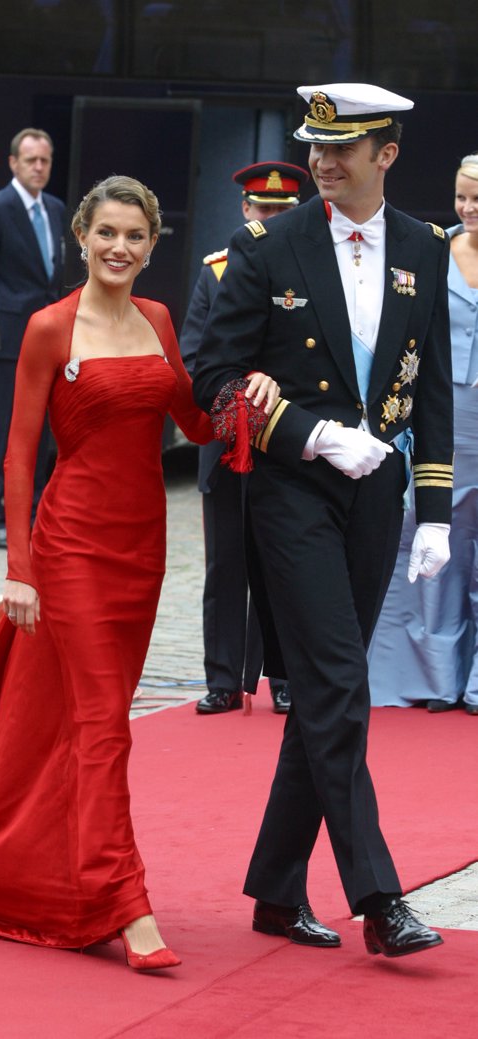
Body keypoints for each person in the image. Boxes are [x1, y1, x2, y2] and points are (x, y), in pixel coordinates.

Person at [0, 174, 280, 970]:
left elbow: (187, 420)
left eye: (135, 236)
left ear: (152, 245)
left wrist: (241, 401)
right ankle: (125, 900)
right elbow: (16, 455)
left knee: (77, 728)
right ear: (82, 237)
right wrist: (22, 570)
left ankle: (34, 873)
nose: (119, 247)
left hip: (143, 553)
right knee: (106, 726)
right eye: (106, 232)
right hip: (70, 544)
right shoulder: (49, 327)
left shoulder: (159, 320)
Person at [193, 83, 454, 957]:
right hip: (293, 489)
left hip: (378, 490)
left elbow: (433, 385)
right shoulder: (265, 244)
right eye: (315, 145)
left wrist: (436, 507)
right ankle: (380, 899)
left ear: (388, 154)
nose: (322, 161)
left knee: (325, 702)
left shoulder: (424, 246)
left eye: (343, 148)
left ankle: (274, 888)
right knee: (339, 683)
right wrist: (306, 434)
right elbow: (212, 378)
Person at [181, 160, 309, 715]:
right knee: (226, 564)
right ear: (244, 211)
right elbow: (194, 356)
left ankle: (280, 675)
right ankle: (223, 678)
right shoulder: (215, 272)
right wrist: (239, 405)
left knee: (281, 563)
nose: (271, 219)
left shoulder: (313, 271)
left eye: (282, 211)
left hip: (288, 442)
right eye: (263, 210)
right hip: (227, 439)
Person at [368, 153, 478, 716]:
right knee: (433, 531)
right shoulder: (435, 248)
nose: (468, 209)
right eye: (461, 197)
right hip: (443, 412)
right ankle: (434, 674)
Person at [0, 128, 67, 549]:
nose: (38, 167)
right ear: (13, 162)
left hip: (48, 339)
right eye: (30, 160)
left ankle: (32, 512)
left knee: (41, 432)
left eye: (45, 161)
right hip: (7, 338)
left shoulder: (55, 208)